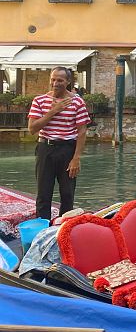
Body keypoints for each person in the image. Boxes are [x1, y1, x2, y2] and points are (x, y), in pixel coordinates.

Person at [27, 67, 91, 220]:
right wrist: (53, 111)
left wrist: (76, 158)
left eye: (60, 80)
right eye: (53, 79)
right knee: (43, 194)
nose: (55, 83)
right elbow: (32, 128)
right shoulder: (39, 100)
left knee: (67, 193)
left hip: (67, 150)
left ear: (68, 82)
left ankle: (64, 229)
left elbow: (82, 132)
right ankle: (43, 231)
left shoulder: (77, 102)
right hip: (45, 149)